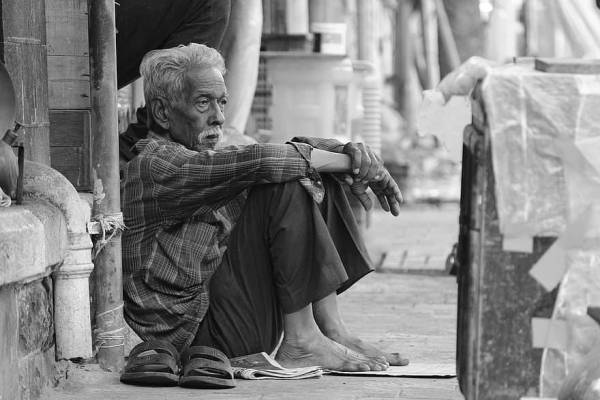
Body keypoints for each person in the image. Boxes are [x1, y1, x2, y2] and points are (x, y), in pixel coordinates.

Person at [121, 43, 408, 372]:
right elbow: (263, 161)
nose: (218, 117)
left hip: (221, 318)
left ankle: (331, 330)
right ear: (162, 112)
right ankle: (301, 341)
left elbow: (278, 154)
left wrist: (348, 155)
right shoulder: (154, 163)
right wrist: (348, 161)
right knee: (284, 178)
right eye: (203, 103)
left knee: (308, 169)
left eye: (222, 102)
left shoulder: (204, 152)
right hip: (190, 335)